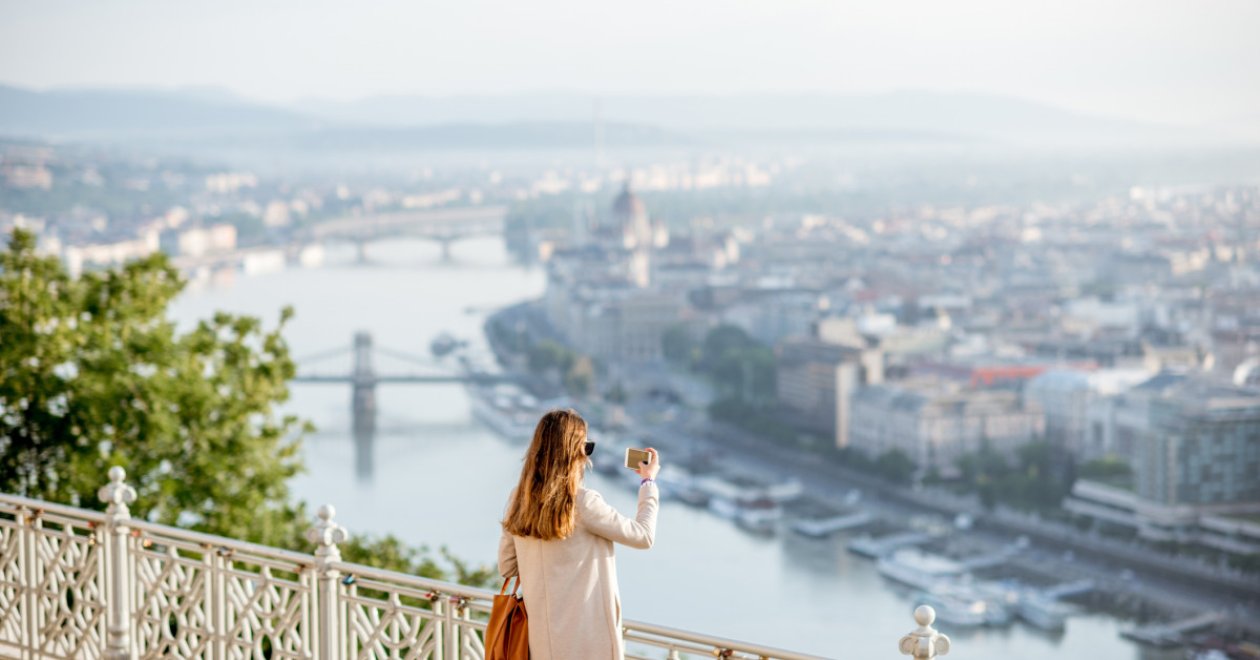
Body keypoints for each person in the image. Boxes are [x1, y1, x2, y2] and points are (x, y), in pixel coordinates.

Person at [497, 408, 660, 660]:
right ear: (576, 452)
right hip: (587, 640)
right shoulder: (584, 503)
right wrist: (648, 483)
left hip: (538, 642)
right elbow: (643, 536)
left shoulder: (519, 499)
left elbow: (507, 566)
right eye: (587, 447)